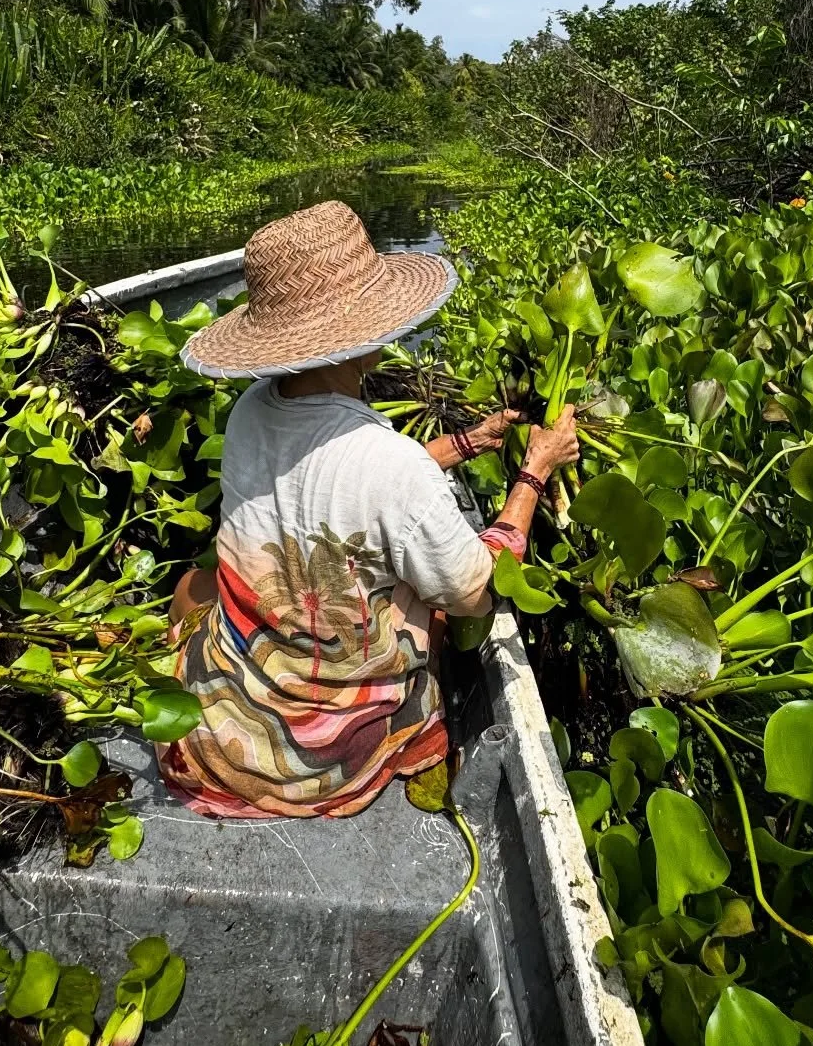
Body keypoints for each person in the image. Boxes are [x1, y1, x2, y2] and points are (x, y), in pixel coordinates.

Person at [158, 200, 579, 818]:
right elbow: (472, 588)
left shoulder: (250, 408)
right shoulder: (392, 467)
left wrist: (467, 443)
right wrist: (533, 472)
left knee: (191, 587)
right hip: (321, 757)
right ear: (362, 333)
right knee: (432, 615)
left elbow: (335, 487)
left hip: (225, 726)